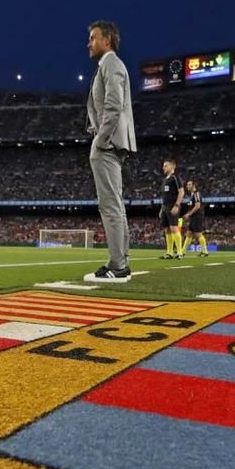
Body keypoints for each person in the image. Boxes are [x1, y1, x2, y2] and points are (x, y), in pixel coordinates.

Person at [83, 20, 137, 283]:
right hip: (113, 142)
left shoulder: (112, 63)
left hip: (108, 143)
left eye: (93, 38)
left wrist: (100, 140)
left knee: (110, 206)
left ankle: (118, 265)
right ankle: (119, 261)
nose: (88, 43)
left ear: (107, 40)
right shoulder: (108, 66)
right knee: (115, 204)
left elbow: (113, 106)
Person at [159, 159, 184, 259]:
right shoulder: (165, 180)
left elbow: (181, 192)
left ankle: (179, 252)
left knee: (174, 228)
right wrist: (162, 208)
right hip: (165, 206)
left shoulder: (175, 178)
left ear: (172, 167)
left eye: (165, 165)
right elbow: (164, 196)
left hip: (172, 205)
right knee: (167, 230)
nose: (163, 167)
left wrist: (177, 205)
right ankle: (169, 253)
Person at [181, 178, 209, 257]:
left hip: (197, 216)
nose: (187, 186)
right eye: (187, 185)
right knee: (189, 234)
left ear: (193, 186)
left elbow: (197, 206)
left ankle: (205, 252)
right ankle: (182, 252)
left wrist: (188, 214)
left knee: (198, 234)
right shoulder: (192, 195)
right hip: (194, 217)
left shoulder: (196, 194)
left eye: (189, 185)